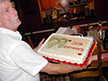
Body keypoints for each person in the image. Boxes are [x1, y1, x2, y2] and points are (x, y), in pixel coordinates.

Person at [0, 0, 94, 81]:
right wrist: (80, 65)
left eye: (12, 7)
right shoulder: (15, 45)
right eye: (6, 11)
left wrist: (34, 51)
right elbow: (51, 69)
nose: (15, 12)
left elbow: (14, 60)